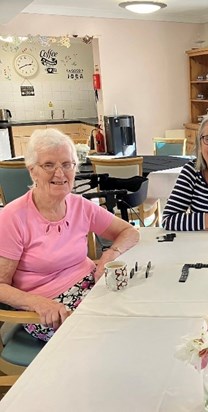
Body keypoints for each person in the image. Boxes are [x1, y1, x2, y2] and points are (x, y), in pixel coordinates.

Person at [0, 128, 140, 341]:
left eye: (67, 164)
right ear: (32, 171)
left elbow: (129, 232)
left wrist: (109, 256)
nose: (59, 173)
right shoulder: (13, 217)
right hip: (48, 309)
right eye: (49, 165)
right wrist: (37, 303)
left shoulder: (80, 206)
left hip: (92, 287)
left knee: (142, 317)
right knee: (112, 338)